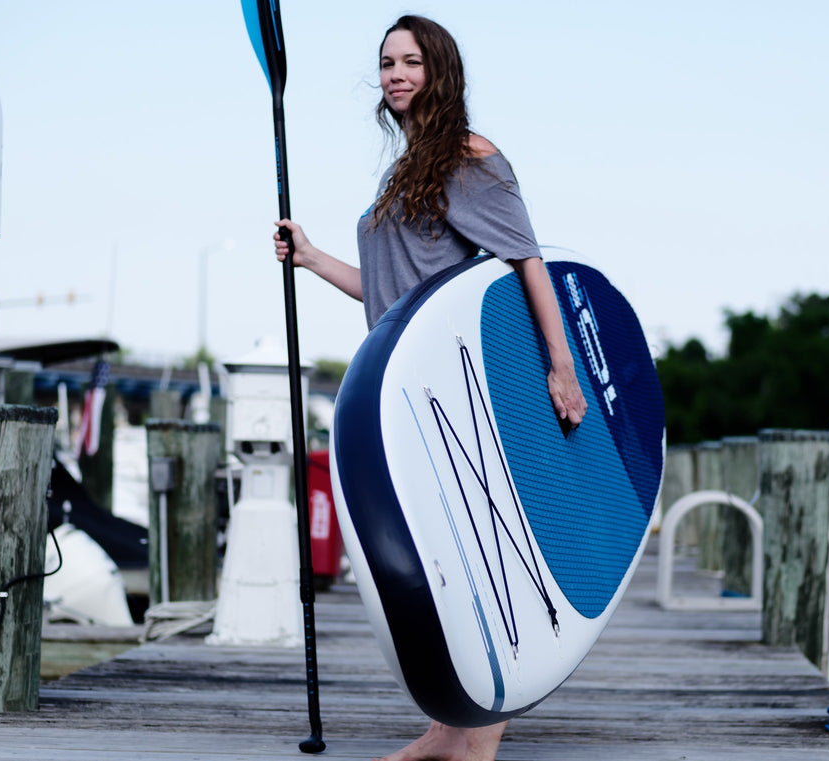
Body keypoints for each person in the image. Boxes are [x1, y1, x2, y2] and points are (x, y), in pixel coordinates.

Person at [274, 14, 587, 761]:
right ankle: (450, 727)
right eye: (386, 63)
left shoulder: (470, 157)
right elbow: (390, 294)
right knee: (444, 563)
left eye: (411, 61)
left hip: (460, 387)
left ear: (439, 70)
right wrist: (314, 257)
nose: (395, 74)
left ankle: (481, 734)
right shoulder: (405, 169)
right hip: (404, 387)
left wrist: (562, 365)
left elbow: (527, 261)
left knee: (483, 556)